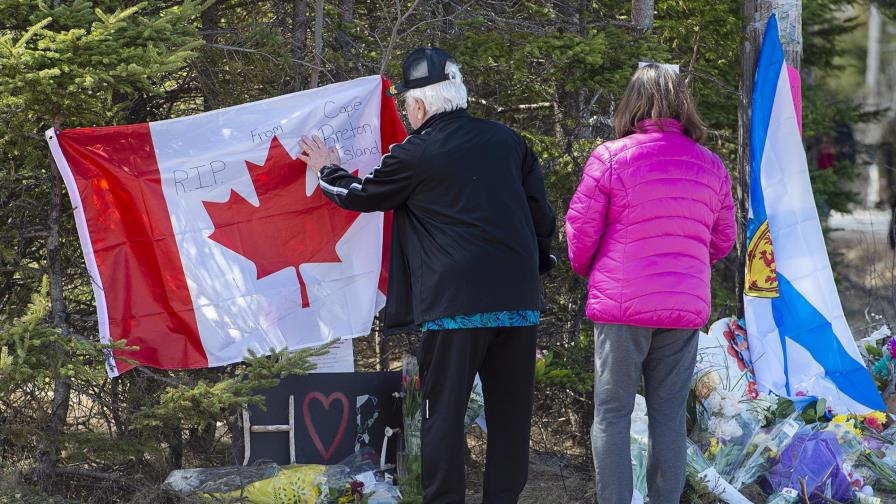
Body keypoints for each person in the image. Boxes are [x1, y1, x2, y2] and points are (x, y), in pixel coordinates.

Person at [298, 47, 556, 504]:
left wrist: (325, 169)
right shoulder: (508, 141)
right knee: (511, 418)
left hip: (455, 305)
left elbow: (361, 194)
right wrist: (537, 265)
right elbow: (541, 215)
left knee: (444, 416)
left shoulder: (418, 153)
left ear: (418, 106)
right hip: (518, 301)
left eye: (406, 106)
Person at [565, 64, 736, 504]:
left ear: (632, 104)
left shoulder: (610, 156)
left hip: (621, 306)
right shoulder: (711, 165)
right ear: (683, 105)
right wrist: (685, 269)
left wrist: (595, 272)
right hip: (681, 309)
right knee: (668, 415)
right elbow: (723, 239)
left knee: (612, 414)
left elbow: (580, 232)